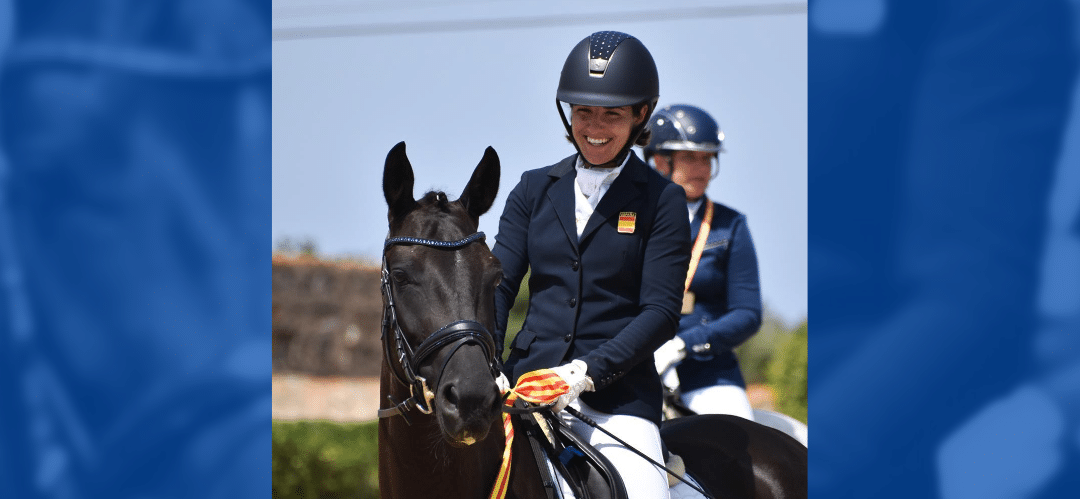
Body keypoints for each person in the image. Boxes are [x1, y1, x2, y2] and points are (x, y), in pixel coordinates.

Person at [492, 31, 691, 499]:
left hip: (615, 402)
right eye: (584, 111)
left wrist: (584, 372)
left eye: (612, 114)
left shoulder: (663, 200)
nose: (594, 126)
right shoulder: (532, 189)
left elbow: (661, 313)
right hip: (526, 386)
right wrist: (489, 362)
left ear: (641, 114)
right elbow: (498, 287)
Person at [645, 104, 763, 421]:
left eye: (708, 158)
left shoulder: (730, 225)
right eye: (690, 158)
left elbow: (748, 313)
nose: (702, 168)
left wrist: (684, 344)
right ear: (659, 160)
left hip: (709, 374)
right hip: (633, 364)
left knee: (736, 447)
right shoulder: (628, 220)